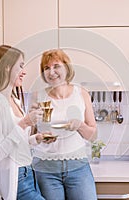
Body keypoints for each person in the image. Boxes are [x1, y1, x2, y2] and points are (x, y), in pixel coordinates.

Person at [0, 45, 55, 200]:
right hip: (16, 181)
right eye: (21, 66)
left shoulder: (15, 100)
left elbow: (17, 144)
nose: (24, 71)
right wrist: (24, 123)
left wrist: (36, 139)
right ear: (7, 68)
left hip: (29, 173)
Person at [31, 49, 98, 200]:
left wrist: (80, 125)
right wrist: (40, 136)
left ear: (67, 68)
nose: (51, 72)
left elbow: (93, 135)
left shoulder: (81, 94)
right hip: (45, 169)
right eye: (46, 68)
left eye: (56, 66)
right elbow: (30, 135)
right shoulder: (38, 96)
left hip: (78, 166)